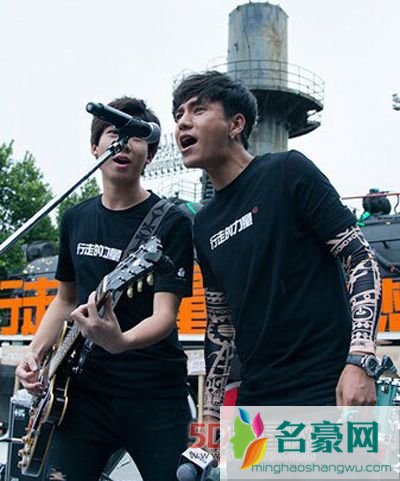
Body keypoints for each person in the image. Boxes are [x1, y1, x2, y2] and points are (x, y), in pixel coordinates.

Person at [172, 71, 382, 421]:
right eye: (178, 114)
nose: (182, 122)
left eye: (198, 110)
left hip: (329, 388)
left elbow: (360, 258)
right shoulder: (204, 224)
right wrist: (210, 417)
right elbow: (220, 325)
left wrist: (361, 358)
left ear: (236, 124)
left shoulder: (287, 171)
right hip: (255, 402)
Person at [16, 96, 194, 481]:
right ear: (95, 147)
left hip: (155, 393)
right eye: (114, 133)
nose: (124, 143)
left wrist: (122, 341)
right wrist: (34, 353)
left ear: (150, 154)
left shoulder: (172, 222)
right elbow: (66, 300)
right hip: (82, 394)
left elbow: (165, 314)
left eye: (136, 136)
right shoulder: (75, 218)